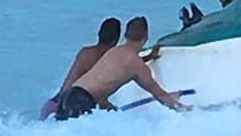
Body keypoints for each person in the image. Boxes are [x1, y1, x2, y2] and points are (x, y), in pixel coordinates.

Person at [56, 17, 187, 119]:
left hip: (69, 96)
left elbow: (106, 78)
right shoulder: (137, 66)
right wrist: (187, 110)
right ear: (146, 38)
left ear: (125, 36)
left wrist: (111, 110)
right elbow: (160, 95)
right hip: (81, 101)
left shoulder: (113, 52)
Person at [42, 18, 121, 118]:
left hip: (52, 105)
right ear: (117, 39)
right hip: (71, 107)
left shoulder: (85, 52)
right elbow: (98, 92)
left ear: (99, 33)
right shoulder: (107, 59)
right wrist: (110, 108)